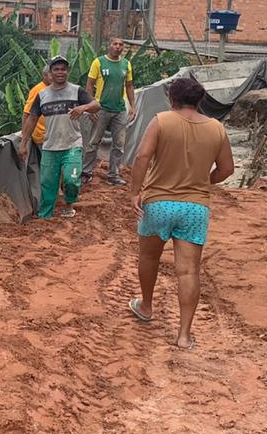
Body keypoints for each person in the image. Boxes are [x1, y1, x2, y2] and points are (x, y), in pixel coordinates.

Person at [128, 77, 235, 350]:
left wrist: (134, 191)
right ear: (199, 101)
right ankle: (184, 335)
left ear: (172, 100)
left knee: (149, 257)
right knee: (188, 271)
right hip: (195, 208)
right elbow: (226, 170)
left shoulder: (161, 121)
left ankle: (147, 306)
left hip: (158, 203)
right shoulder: (216, 128)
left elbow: (142, 157)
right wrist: (202, 181)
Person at [20, 55, 100, 219]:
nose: (60, 72)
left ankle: (69, 203)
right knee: (48, 184)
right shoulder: (42, 95)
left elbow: (96, 105)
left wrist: (83, 107)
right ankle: (45, 216)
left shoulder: (76, 91)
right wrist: (23, 143)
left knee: (71, 179)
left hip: (72, 145)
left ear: (67, 71)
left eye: (63, 69)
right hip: (50, 146)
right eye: (56, 69)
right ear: (50, 72)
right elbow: (32, 118)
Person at [82, 37, 137, 186]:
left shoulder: (126, 64)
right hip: (101, 108)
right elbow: (89, 85)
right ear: (109, 45)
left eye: (121, 45)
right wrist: (90, 106)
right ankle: (86, 173)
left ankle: (113, 175)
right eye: (115, 44)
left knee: (119, 144)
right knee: (93, 142)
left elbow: (130, 86)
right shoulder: (98, 62)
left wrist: (133, 106)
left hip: (119, 109)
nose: (118, 47)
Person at [21, 66, 51, 158]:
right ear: (44, 76)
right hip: (42, 136)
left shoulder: (54, 90)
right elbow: (27, 113)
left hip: (52, 135)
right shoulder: (37, 90)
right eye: (51, 75)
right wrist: (24, 137)